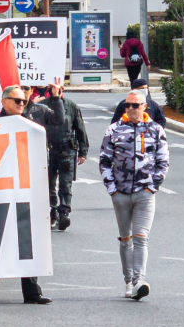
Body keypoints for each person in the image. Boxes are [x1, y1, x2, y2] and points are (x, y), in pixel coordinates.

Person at [0, 83, 64, 305]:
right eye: (16, 100)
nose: (21, 104)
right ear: (3, 101)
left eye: (23, 101)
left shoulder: (31, 125)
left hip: (26, 191)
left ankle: (32, 292)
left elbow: (58, 122)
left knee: (27, 241)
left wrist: (56, 98)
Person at [100, 90, 169, 300]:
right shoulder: (113, 130)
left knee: (141, 237)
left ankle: (140, 280)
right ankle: (128, 281)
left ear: (144, 107)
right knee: (125, 239)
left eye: (135, 105)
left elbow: (163, 161)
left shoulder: (155, 130)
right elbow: (104, 161)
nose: (131, 109)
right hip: (120, 194)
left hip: (145, 194)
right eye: (128, 105)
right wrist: (112, 189)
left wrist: (152, 186)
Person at [46, 88, 89, 231]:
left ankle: (64, 212)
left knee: (65, 183)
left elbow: (80, 128)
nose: (55, 91)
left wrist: (83, 151)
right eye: (52, 89)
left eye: (57, 89)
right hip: (47, 151)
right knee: (48, 184)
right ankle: (52, 212)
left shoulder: (71, 106)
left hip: (67, 151)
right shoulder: (42, 106)